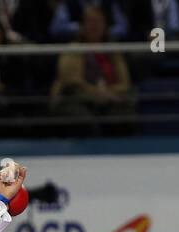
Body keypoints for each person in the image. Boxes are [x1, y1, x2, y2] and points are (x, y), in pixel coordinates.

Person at [49, 5, 134, 137]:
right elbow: (72, 82)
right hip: (79, 99)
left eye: (99, 22)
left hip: (110, 98)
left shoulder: (112, 50)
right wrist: (98, 94)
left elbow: (125, 82)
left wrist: (108, 94)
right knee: (81, 119)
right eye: (90, 22)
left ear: (105, 26)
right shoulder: (73, 49)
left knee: (122, 116)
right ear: (82, 26)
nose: (95, 26)